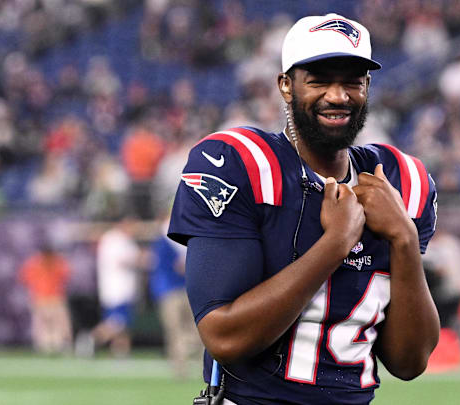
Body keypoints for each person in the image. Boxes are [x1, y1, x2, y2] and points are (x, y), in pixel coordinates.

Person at [168, 13, 440, 404]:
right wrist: (336, 243)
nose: (337, 95)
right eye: (319, 80)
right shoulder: (242, 164)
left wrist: (404, 239)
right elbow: (225, 336)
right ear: (285, 86)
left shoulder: (401, 181)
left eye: (352, 81)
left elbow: (409, 362)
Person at [149, 214, 203, 378]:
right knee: (180, 330)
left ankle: (186, 364)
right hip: (173, 290)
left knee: (186, 331)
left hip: (179, 290)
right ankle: (182, 366)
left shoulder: (166, 241)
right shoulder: (167, 241)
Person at [86, 216, 142, 358]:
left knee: (125, 327)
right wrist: (144, 259)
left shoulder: (126, 241)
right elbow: (122, 260)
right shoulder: (113, 240)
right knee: (117, 323)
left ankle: (121, 354)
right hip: (116, 290)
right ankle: (90, 339)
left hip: (127, 290)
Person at [18, 243, 73, 354]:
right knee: (43, 325)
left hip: (54, 298)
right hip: (42, 299)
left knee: (57, 325)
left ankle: (57, 346)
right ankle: (46, 347)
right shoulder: (35, 263)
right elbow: (24, 278)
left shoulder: (57, 262)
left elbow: (66, 276)